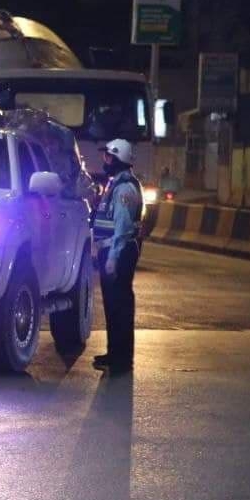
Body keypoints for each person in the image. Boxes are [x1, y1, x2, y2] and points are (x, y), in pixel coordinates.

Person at [92, 138, 143, 375]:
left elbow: (122, 228)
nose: (105, 161)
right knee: (113, 307)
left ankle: (121, 359)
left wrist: (112, 258)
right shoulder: (116, 184)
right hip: (111, 250)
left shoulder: (124, 189)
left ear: (119, 158)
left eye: (109, 157)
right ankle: (114, 354)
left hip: (119, 251)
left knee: (119, 306)